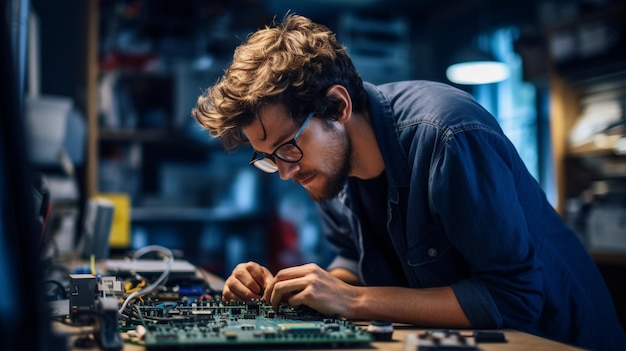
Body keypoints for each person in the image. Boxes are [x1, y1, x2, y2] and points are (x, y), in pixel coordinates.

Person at [192, 13, 626, 351]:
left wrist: (352, 301)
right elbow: (355, 264)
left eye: (287, 146)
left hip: (558, 340)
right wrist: (301, 288)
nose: (285, 171)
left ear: (337, 106)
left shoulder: (448, 135)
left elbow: (513, 297)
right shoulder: (326, 168)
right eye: (268, 158)